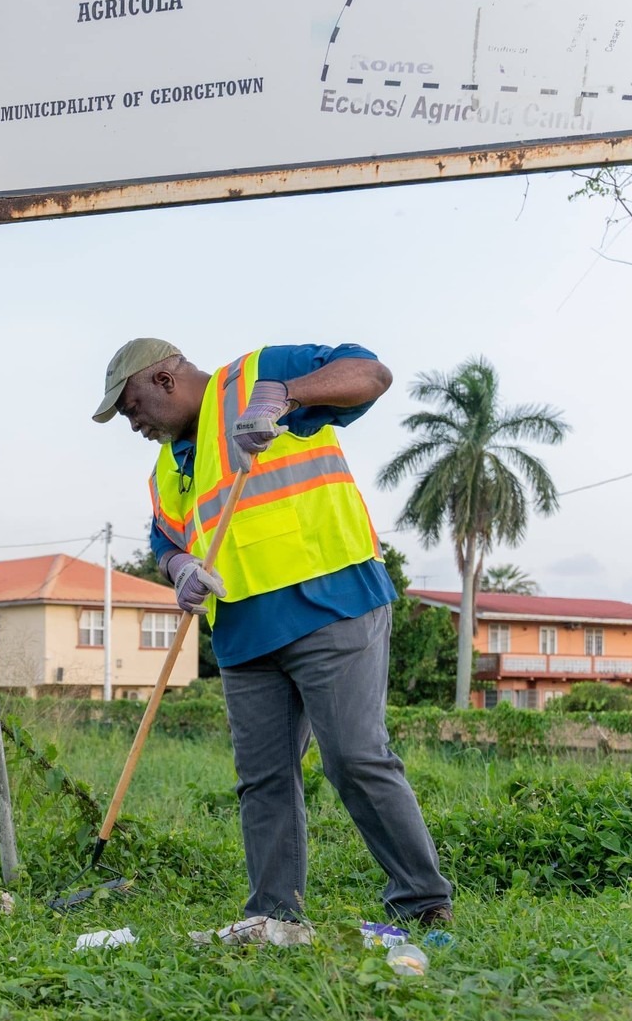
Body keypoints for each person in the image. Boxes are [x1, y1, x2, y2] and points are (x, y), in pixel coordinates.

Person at [92, 338, 453, 933]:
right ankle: (273, 915)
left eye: (131, 406)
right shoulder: (166, 467)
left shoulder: (256, 376)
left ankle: (421, 900)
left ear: (163, 380)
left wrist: (285, 396)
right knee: (262, 780)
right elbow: (165, 540)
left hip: (327, 600)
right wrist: (179, 569)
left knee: (355, 757)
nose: (132, 423)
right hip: (243, 631)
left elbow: (370, 373)